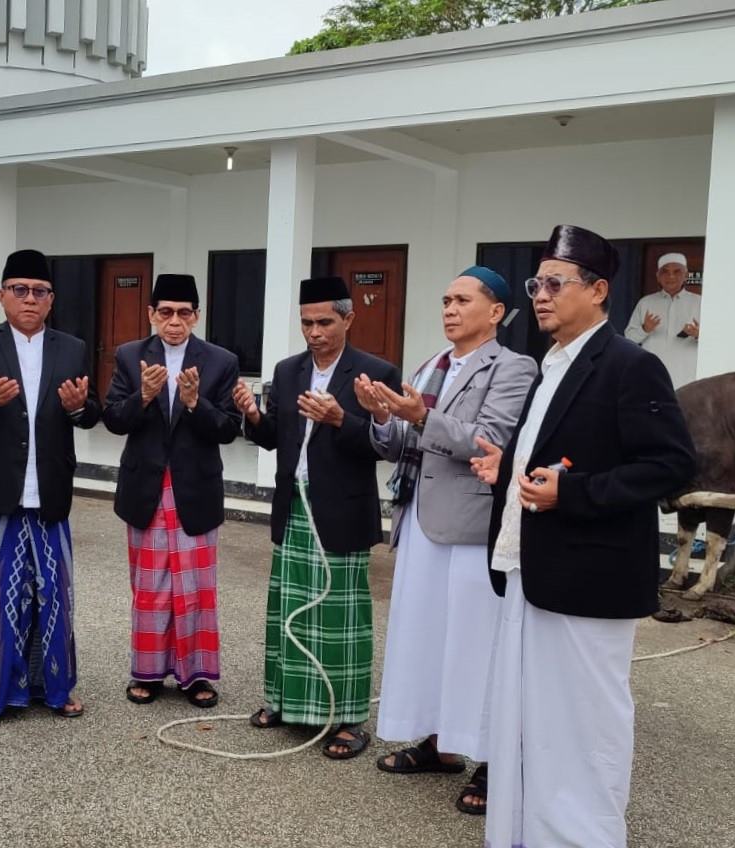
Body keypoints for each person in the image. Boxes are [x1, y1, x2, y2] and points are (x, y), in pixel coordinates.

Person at [471, 225, 696, 848]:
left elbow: (671, 466)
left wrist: (571, 493)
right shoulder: (552, 366)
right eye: (535, 283)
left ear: (598, 291)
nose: (540, 295)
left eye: (554, 283)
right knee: (531, 719)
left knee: (583, 721)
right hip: (533, 568)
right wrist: (506, 464)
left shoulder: (630, 364)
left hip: (589, 577)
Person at [353, 266, 536, 815]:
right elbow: (398, 443)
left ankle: (490, 758)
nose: (449, 309)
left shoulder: (513, 367)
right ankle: (438, 744)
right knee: (426, 637)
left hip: (469, 526)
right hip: (419, 519)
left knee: (473, 645)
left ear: (496, 312)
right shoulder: (432, 365)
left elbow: (490, 442)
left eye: (462, 300)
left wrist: (420, 415)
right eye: (445, 300)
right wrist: (384, 417)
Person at [231, 276, 401, 760]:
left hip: (340, 509)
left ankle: (348, 718)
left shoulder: (375, 372)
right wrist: (253, 416)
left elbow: (382, 445)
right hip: (294, 503)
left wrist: (339, 420)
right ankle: (285, 701)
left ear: (349, 318)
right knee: (288, 610)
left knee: (340, 616)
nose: (315, 332)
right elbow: (273, 439)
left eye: (325, 322)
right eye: (306, 322)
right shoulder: (287, 371)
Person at [0, 249, 101, 726]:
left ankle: (52, 687)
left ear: (51, 300)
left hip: (48, 492)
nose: (30, 299)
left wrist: (77, 408)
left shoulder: (71, 347)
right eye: (20, 290)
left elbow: (91, 413)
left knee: (53, 594)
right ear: (2, 295)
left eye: (40, 291)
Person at [103, 273, 240, 708]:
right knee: (151, 585)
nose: (174, 321)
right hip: (146, 486)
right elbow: (114, 420)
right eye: (165, 312)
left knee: (196, 586)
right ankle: (147, 672)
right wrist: (143, 396)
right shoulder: (129, 356)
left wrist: (197, 403)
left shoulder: (220, 361)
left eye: (184, 313)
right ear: (151, 314)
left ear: (196, 316)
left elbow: (228, 429)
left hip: (194, 489)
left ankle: (195, 675)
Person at [625, 252, 700, 388]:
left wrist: (698, 334)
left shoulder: (699, 302)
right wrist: (645, 329)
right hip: (652, 374)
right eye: (665, 272)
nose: (671, 276)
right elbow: (629, 339)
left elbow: (717, 342)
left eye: (677, 271)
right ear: (658, 277)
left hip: (688, 375)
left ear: (686, 276)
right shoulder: (646, 302)